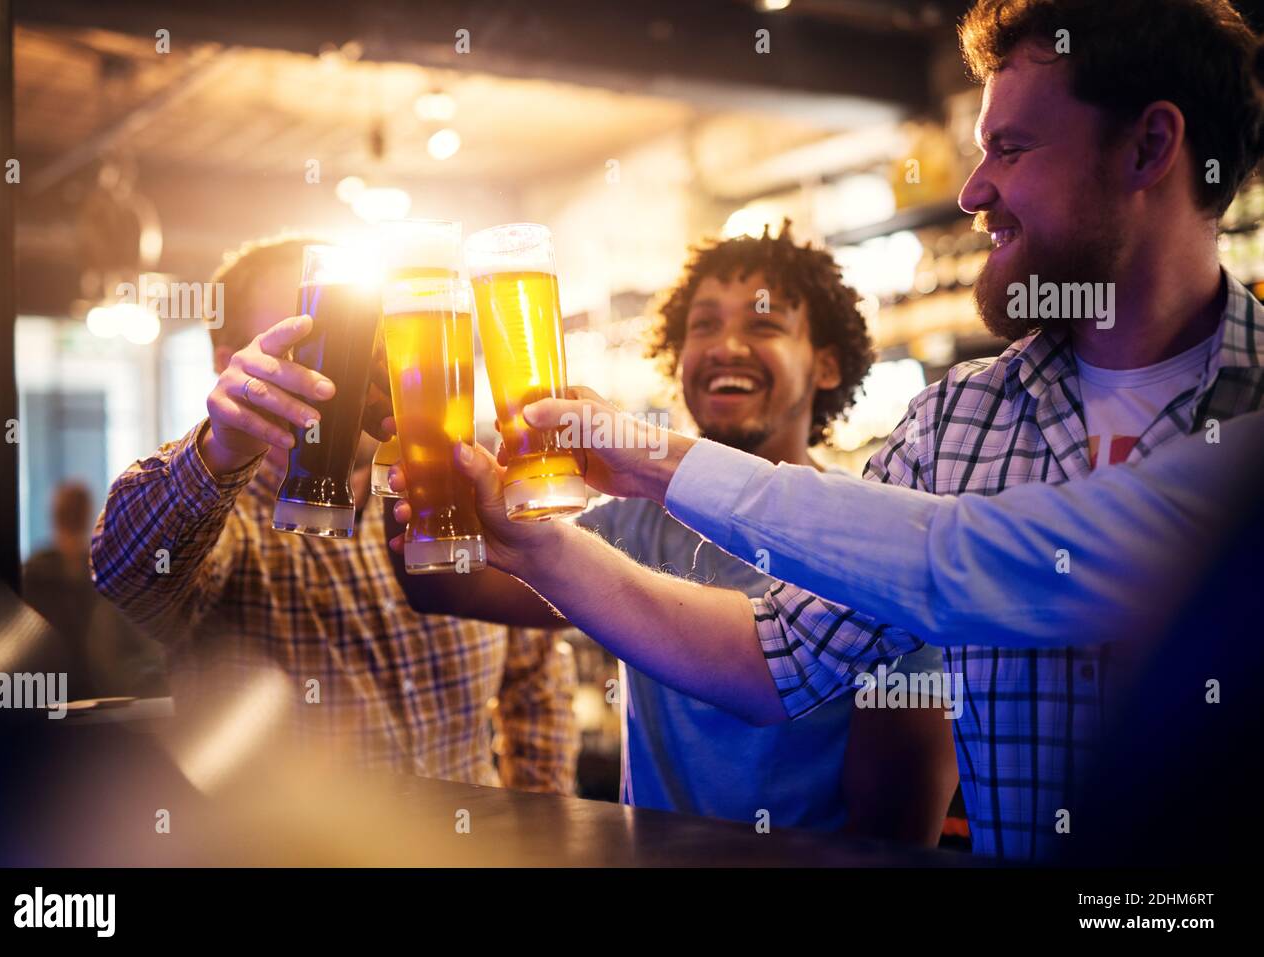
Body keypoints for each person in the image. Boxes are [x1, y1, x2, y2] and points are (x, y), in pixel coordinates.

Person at [391, 0, 1264, 858]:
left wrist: (649, 453)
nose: (972, 189)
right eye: (702, 323)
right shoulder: (957, 423)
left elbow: (942, 567)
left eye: (1012, 146)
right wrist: (518, 532)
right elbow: (773, 659)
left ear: (1150, 146)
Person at [392, 225, 956, 841]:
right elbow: (448, 586)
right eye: (704, 325)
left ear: (826, 365)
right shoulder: (639, 519)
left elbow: (899, 820)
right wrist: (413, 443)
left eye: (764, 325)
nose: (727, 346)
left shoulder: (865, 535)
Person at [90, 235, 577, 792]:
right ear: (232, 366)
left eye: (360, 337)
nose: (348, 365)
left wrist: (541, 830)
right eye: (308, 341)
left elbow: (535, 678)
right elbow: (126, 577)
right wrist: (218, 449)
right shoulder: (227, 522)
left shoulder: (446, 492)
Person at [23, 481, 166, 700]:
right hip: (101, 694)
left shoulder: (32, 572)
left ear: (55, 516)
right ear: (89, 514)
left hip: (47, 695)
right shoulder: (106, 568)